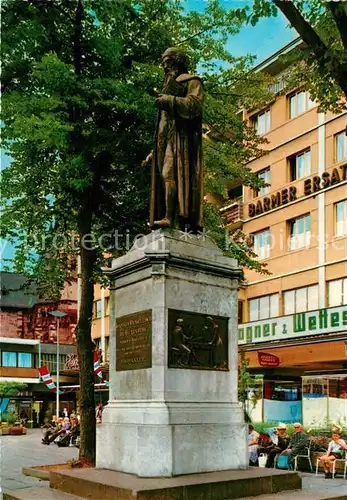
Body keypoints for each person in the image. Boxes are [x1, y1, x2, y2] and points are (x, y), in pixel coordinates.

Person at [146, 47, 204, 232]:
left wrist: (170, 100)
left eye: (168, 61)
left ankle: (170, 217)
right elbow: (162, 125)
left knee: (168, 174)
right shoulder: (167, 87)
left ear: (178, 61)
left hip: (180, 140)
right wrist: (154, 151)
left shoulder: (192, 81)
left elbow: (194, 105)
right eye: (163, 61)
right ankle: (168, 216)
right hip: (165, 141)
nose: (164, 65)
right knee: (164, 178)